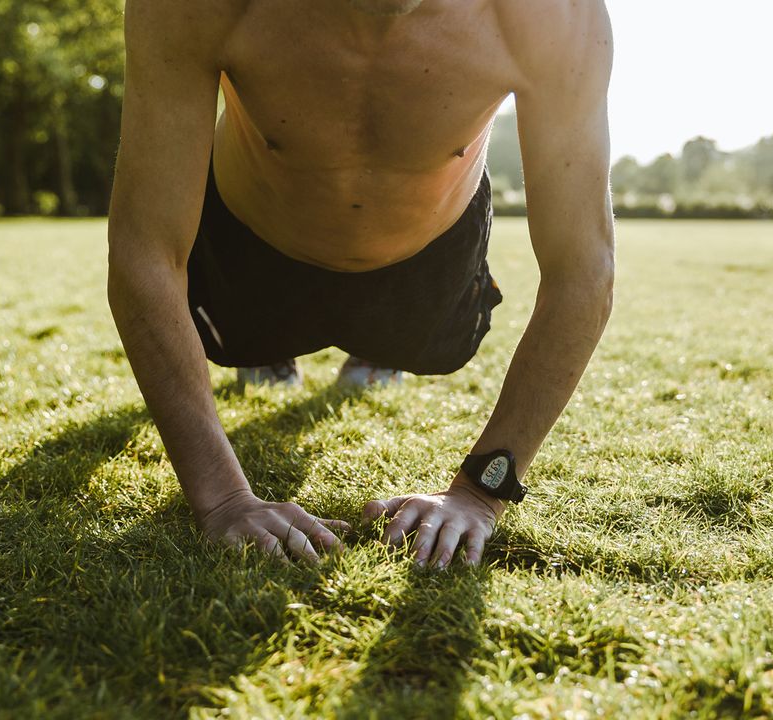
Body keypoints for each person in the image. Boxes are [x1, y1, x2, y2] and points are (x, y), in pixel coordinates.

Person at [106, 0, 615, 569]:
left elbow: (583, 269)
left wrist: (481, 491)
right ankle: (275, 350)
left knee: (411, 346)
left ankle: (372, 346)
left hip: (427, 260)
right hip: (253, 249)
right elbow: (145, 254)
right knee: (249, 345)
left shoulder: (554, 16)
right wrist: (223, 498)